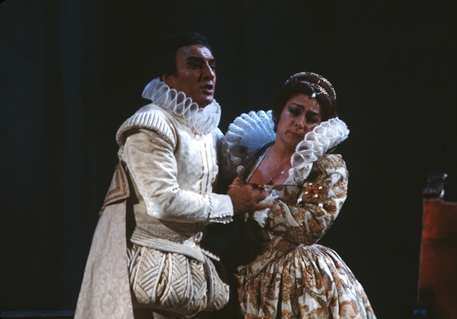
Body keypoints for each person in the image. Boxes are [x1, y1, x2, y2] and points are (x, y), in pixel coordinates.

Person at [74, 31, 270, 319]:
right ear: (168, 79)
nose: (208, 74)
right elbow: (162, 201)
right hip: (152, 271)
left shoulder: (210, 132)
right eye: (194, 65)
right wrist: (231, 203)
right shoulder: (152, 123)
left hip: (194, 273)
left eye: (212, 65)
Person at [220, 72, 376, 318]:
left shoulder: (324, 167)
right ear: (277, 114)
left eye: (311, 118)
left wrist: (252, 201)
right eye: (294, 111)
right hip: (243, 273)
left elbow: (313, 222)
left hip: (297, 276)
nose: (300, 123)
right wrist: (230, 201)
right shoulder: (249, 155)